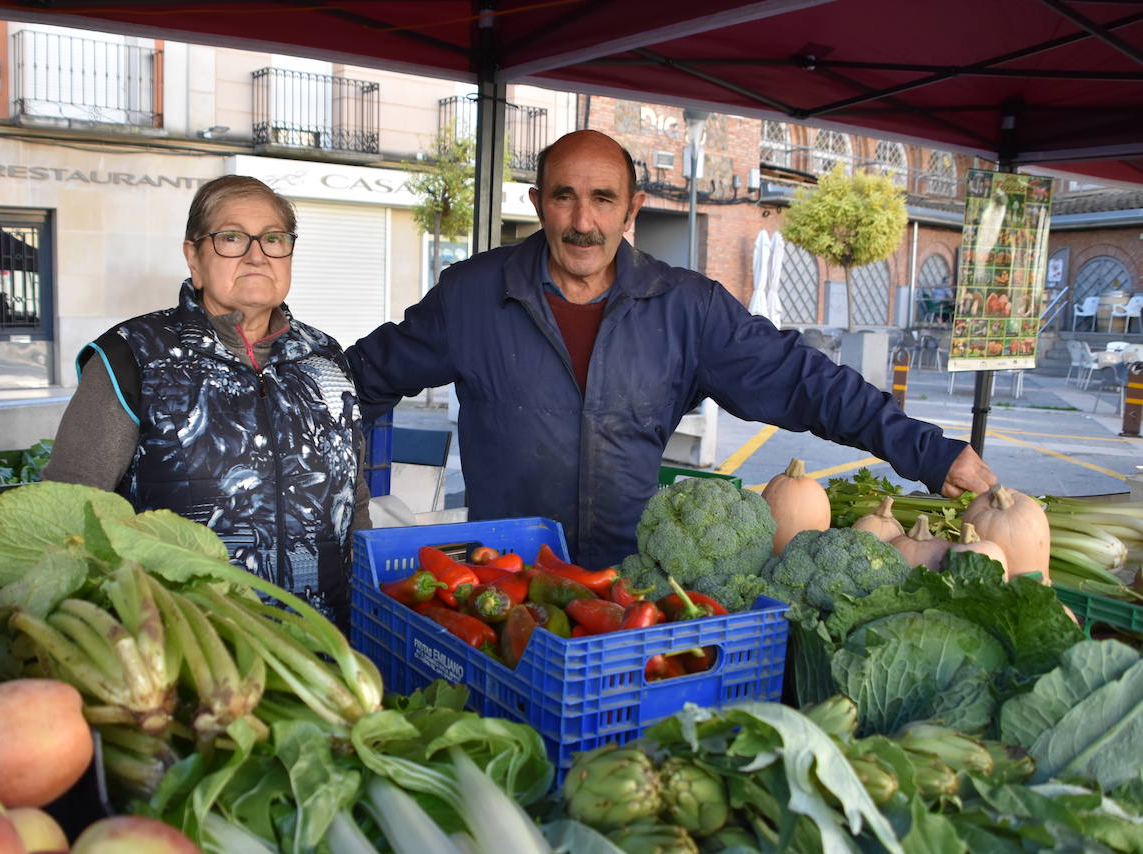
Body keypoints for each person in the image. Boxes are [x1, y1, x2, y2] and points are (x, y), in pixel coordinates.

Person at [346, 130, 995, 569]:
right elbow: (359, 382)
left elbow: (801, 381)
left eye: (603, 198)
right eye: (564, 196)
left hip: (633, 592)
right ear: (537, 201)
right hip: (503, 581)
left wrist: (929, 451)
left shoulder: (687, 310)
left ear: (633, 206)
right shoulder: (471, 298)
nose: (582, 221)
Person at [44, 175, 368, 619]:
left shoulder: (325, 359)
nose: (257, 255)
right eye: (231, 238)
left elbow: (357, 503)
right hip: (187, 649)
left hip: (323, 647)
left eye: (274, 238)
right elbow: (67, 512)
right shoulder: (132, 356)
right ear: (193, 257)